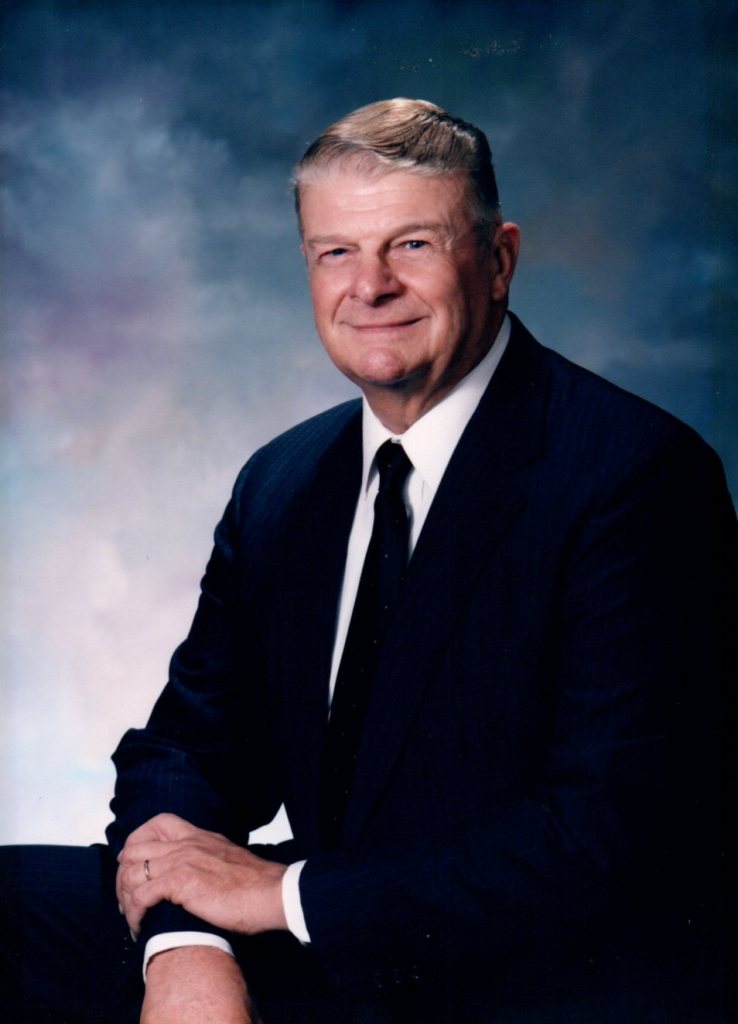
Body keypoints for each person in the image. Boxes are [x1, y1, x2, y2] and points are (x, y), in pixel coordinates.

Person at [2, 98, 736, 1024]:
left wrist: (281, 897)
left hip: (532, 972)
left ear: (499, 260)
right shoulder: (284, 483)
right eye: (336, 252)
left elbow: (607, 839)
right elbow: (187, 751)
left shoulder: (633, 475)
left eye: (413, 246)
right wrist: (186, 947)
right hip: (343, 949)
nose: (370, 286)